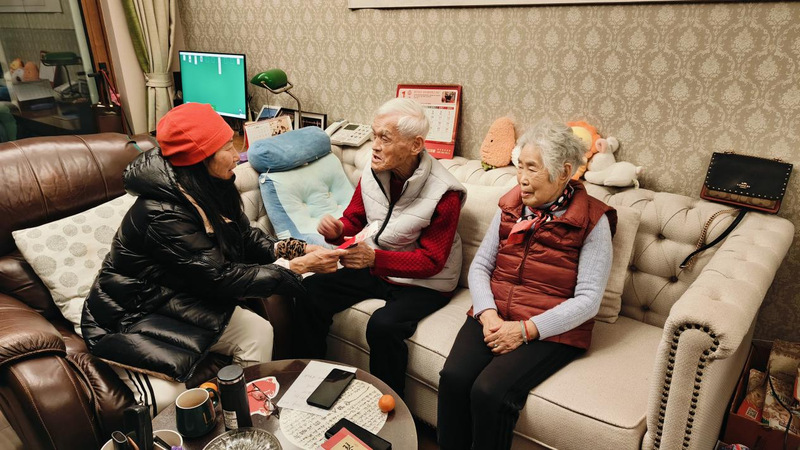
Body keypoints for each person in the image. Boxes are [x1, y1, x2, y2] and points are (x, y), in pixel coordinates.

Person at [81, 103, 342, 387]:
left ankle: (247, 404)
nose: (237, 156)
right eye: (228, 148)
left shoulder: (211, 185)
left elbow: (245, 236)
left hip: (181, 295)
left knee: (258, 332)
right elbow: (220, 276)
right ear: (200, 159)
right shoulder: (161, 213)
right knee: (169, 393)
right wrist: (295, 268)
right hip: (134, 311)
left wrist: (295, 249)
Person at [437, 119, 617, 450]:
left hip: (550, 326)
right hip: (495, 312)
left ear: (563, 172)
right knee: (453, 378)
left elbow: (589, 300)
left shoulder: (593, 220)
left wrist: (524, 331)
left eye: (532, 168)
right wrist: (488, 314)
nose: (521, 177)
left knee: (489, 391)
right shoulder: (512, 205)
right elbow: (482, 266)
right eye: (520, 165)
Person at [292, 98, 466, 397]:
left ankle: (390, 405)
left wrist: (373, 259)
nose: (374, 146)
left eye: (385, 138)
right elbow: (355, 218)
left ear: (415, 145)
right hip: (380, 266)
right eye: (374, 135)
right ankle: (310, 381)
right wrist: (339, 230)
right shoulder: (373, 172)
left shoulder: (444, 193)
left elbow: (432, 261)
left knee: (383, 326)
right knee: (310, 291)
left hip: (427, 283)